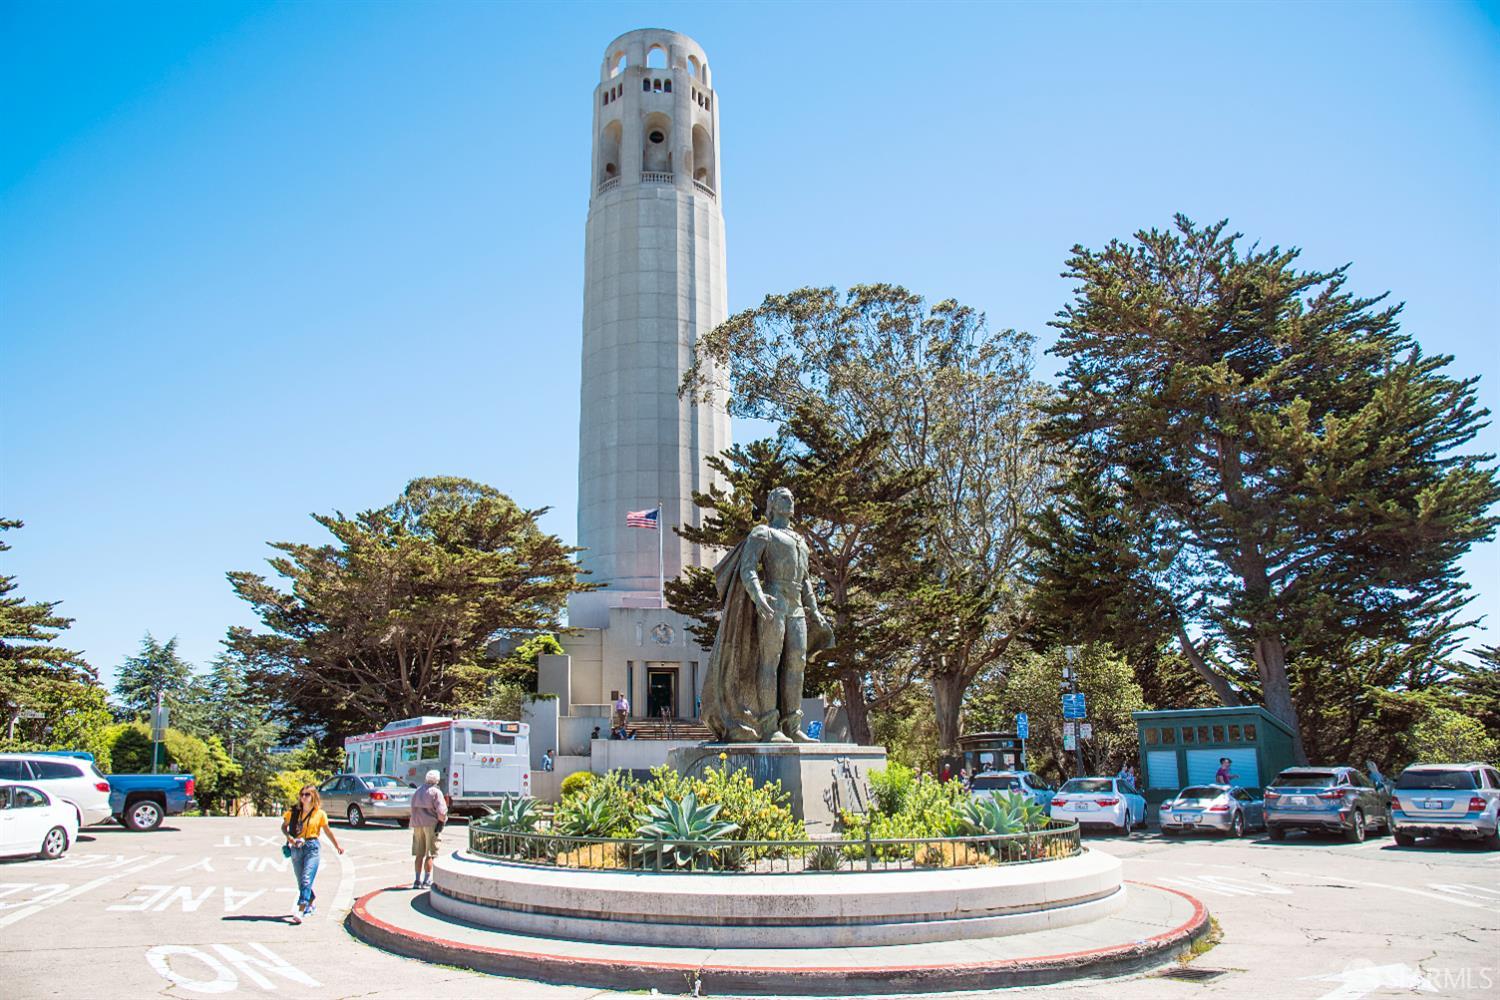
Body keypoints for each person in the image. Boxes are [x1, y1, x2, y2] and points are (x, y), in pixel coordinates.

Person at [700, 486, 833, 742]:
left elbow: (805, 580)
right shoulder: (764, 533)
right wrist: (758, 597)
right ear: (772, 503)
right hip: (773, 603)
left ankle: (793, 727)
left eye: (792, 497)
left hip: (796, 608)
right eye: (784, 497)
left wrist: (814, 610)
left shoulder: (799, 541)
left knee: (797, 665)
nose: (791, 500)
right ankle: (770, 727)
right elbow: (747, 568)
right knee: (769, 664)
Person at [281, 784, 343, 924]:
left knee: (306, 878)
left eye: (307, 795)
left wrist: (337, 845)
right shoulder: (293, 812)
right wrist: (290, 838)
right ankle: (311, 900)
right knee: (301, 881)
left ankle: (301, 909)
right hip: (296, 847)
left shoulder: (320, 814)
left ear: (313, 796)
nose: (303, 797)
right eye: (302, 794)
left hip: (312, 847)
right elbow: (284, 827)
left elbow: (327, 831)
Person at [410, 769, 449, 889]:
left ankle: (417, 880)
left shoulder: (418, 791)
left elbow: (412, 807)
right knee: (430, 853)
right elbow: (442, 812)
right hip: (431, 825)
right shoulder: (436, 792)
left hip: (417, 825)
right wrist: (442, 821)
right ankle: (427, 880)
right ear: (436, 780)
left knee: (419, 854)